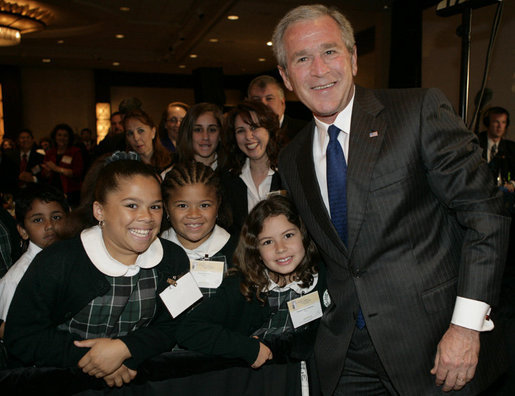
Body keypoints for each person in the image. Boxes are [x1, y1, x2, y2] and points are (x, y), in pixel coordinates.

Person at [272, 4, 510, 395]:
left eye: (330, 51)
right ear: (285, 77)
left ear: (352, 59)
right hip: (346, 355)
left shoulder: (416, 112)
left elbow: (486, 215)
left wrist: (466, 326)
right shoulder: (291, 157)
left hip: (436, 346)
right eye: (302, 58)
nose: (318, 70)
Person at [4, 156, 190, 387]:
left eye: (155, 206)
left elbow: (178, 324)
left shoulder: (173, 259)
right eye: (132, 205)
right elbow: (21, 336)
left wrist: (126, 349)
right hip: (63, 381)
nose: (147, 217)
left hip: (139, 378)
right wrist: (94, 360)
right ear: (99, 211)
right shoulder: (58, 262)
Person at [177, 195, 327, 376]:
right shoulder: (243, 286)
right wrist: (246, 348)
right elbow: (189, 329)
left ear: (303, 234)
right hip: (253, 380)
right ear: (255, 249)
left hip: (303, 378)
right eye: (268, 242)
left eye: (288, 235)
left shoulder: (323, 277)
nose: (280, 248)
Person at [0, 184, 69, 338]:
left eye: (56, 217)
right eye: (38, 220)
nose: (49, 226)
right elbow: (12, 337)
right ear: (23, 231)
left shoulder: (72, 261)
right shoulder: (16, 281)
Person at [161, 161, 237, 298]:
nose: (194, 215)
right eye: (182, 206)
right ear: (166, 207)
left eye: (204, 205)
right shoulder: (154, 255)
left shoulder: (238, 255)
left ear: (218, 204)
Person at [221, 100, 282, 232]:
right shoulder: (227, 181)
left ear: (269, 129)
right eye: (240, 131)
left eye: (254, 127)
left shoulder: (288, 174)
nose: (248, 136)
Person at [248, 75, 306, 149]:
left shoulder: (303, 131)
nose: (263, 104)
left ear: (282, 103)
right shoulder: (244, 134)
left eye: (269, 98)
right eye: (256, 100)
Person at [42, 123, 84, 207]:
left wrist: (56, 168)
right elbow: (44, 175)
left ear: (69, 138)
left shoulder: (75, 152)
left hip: (71, 192)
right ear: (55, 137)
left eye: (65, 136)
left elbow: (77, 172)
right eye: (59, 135)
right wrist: (47, 172)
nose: (62, 138)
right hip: (53, 191)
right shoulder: (50, 153)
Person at [176, 103, 227, 170]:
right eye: (198, 130)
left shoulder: (234, 175)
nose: (205, 137)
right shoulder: (170, 175)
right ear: (188, 133)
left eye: (212, 130)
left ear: (220, 134)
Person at [125, 109, 174, 175]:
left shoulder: (173, 161)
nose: (136, 138)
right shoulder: (126, 168)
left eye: (140, 131)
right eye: (130, 133)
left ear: (153, 132)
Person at [478, 106, 515, 191]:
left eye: (503, 122)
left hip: (503, 196)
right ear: (488, 123)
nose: (500, 126)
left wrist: (512, 184)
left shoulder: (511, 148)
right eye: (496, 122)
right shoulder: (476, 144)